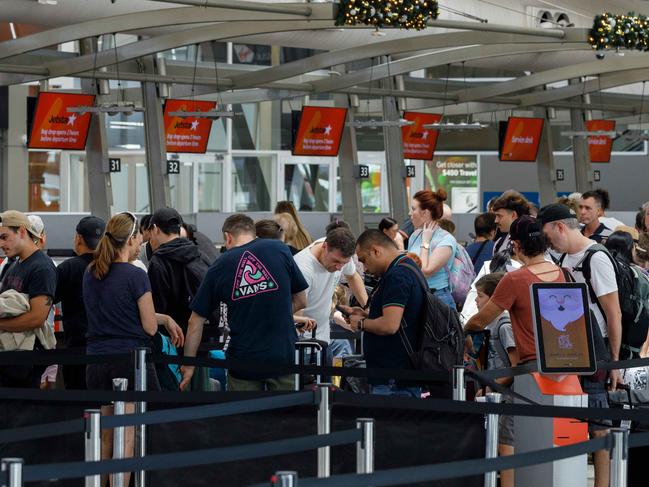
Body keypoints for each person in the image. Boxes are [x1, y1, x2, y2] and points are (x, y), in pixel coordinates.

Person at [83, 212, 183, 485]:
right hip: (130, 362)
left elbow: (118, 312)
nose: (142, 242)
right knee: (126, 435)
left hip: (97, 359)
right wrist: (161, 319)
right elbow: (149, 327)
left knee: (104, 435)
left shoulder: (91, 273)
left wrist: (164, 318)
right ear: (129, 239)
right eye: (139, 237)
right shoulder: (135, 275)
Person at [538, 203, 622, 487]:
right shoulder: (561, 256)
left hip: (597, 351)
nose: (547, 240)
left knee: (599, 424)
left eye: (548, 233)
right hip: (569, 347)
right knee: (572, 417)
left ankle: (602, 483)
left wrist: (614, 363)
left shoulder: (595, 257)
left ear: (560, 226)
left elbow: (614, 312)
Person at [180, 214, 309, 391]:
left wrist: (189, 363)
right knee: (285, 416)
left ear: (228, 237)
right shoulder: (279, 249)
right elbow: (302, 300)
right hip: (282, 357)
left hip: (243, 361)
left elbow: (195, 321)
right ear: (253, 232)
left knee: (244, 417)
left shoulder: (220, 265)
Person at [465, 216, 564, 364]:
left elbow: (480, 321)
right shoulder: (563, 273)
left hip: (532, 365)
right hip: (564, 359)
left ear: (516, 244)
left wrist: (464, 332)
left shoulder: (514, 279)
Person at [342, 229, 424, 397]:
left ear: (376, 251)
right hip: (397, 374)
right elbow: (400, 316)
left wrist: (360, 323)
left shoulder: (397, 275)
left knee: (389, 422)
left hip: (393, 377)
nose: (365, 268)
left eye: (364, 260)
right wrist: (367, 315)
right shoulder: (406, 267)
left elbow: (390, 325)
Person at [293, 227, 368, 363]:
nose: (339, 267)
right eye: (336, 261)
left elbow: (352, 276)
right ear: (325, 246)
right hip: (302, 347)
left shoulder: (339, 250)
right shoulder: (303, 269)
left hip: (323, 342)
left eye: (344, 263)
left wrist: (368, 307)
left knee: (326, 384)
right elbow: (298, 316)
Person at [0, 210, 56, 388]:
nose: (1, 244)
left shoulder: (42, 268)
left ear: (22, 232)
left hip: (26, 360)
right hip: (10, 356)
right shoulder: (15, 265)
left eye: (4, 237)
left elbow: (37, 318)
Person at [473, 272, 517, 487]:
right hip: (498, 395)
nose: (475, 300)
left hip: (508, 397)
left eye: (480, 295)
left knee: (505, 446)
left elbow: (515, 366)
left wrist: (493, 386)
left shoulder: (504, 325)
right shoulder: (493, 324)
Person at [54, 216, 106, 389]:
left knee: (77, 404)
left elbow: (47, 301)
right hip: (109, 350)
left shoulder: (68, 268)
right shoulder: (113, 267)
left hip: (77, 348)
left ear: (78, 238)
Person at [147, 207, 212, 333]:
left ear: (155, 229)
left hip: (173, 335)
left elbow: (156, 307)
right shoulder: (199, 254)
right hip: (201, 333)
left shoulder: (158, 261)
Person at [407, 189, 457, 310]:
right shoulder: (415, 235)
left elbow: (425, 271)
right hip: (416, 296)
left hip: (438, 299)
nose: (410, 213)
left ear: (425, 213)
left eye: (413, 209)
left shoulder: (446, 240)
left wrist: (425, 242)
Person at [491, 191, 530, 255]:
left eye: (499, 216)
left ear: (513, 215)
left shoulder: (534, 243)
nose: (496, 220)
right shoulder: (499, 243)